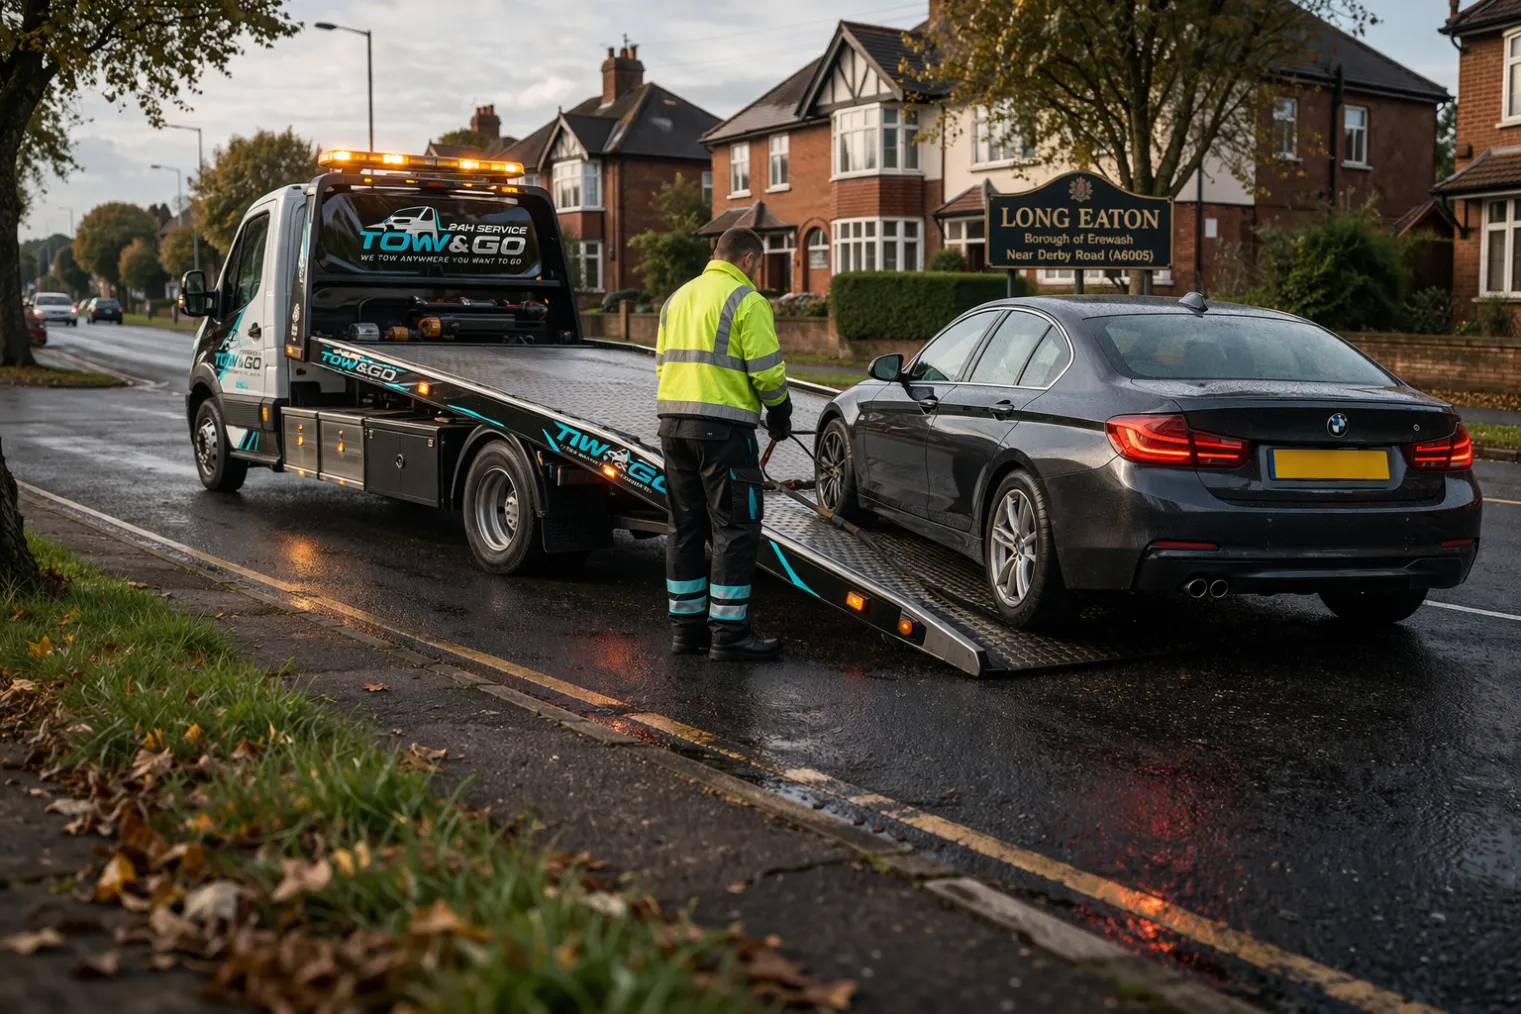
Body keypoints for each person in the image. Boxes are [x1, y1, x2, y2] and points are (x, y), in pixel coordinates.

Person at [655, 227, 792, 661]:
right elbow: (767, 371)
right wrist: (780, 411)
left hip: (674, 429)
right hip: (724, 434)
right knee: (734, 530)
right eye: (758, 263)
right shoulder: (746, 301)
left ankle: (686, 631)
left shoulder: (677, 298)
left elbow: (662, 363)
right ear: (748, 260)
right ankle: (729, 635)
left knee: (685, 529)